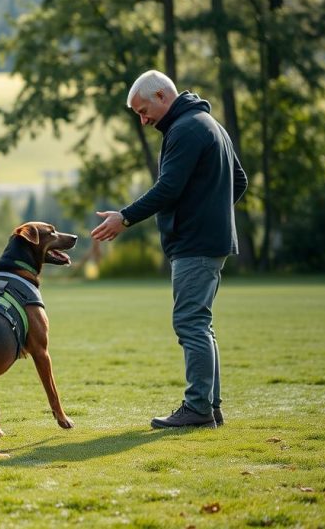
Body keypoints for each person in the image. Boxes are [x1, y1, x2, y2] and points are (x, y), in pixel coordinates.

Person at [91, 70, 247, 429]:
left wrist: (124, 218)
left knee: (191, 324)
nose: (143, 121)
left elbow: (168, 189)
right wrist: (212, 213)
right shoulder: (208, 123)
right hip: (207, 241)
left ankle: (197, 408)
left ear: (162, 96)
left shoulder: (186, 130)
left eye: (144, 111)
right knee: (201, 325)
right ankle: (210, 406)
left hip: (195, 244)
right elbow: (239, 180)